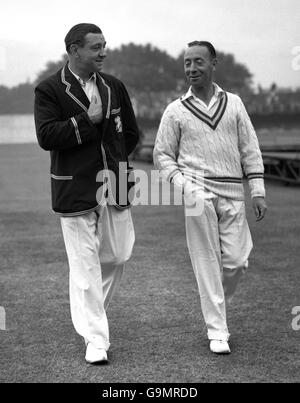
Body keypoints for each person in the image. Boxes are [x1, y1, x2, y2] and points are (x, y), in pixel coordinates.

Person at [34, 23, 139, 364]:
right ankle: (96, 340)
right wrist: (86, 119)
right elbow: (47, 136)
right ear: (74, 50)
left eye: (104, 45)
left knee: (118, 256)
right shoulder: (49, 89)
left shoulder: (114, 86)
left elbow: (131, 133)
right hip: (74, 188)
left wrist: (119, 163)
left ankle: (89, 314)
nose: (103, 52)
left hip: (116, 185)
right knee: (86, 270)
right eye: (96, 47)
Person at [153, 41, 267, 354]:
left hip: (232, 192)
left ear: (213, 63)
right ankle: (217, 331)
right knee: (206, 262)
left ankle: (216, 304)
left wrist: (257, 190)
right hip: (196, 193)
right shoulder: (175, 110)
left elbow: (250, 148)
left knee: (236, 263)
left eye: (198, 62)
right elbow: (162, 156)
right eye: (187, 62)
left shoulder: (234, 103)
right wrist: (182, 184)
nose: (192, 68)